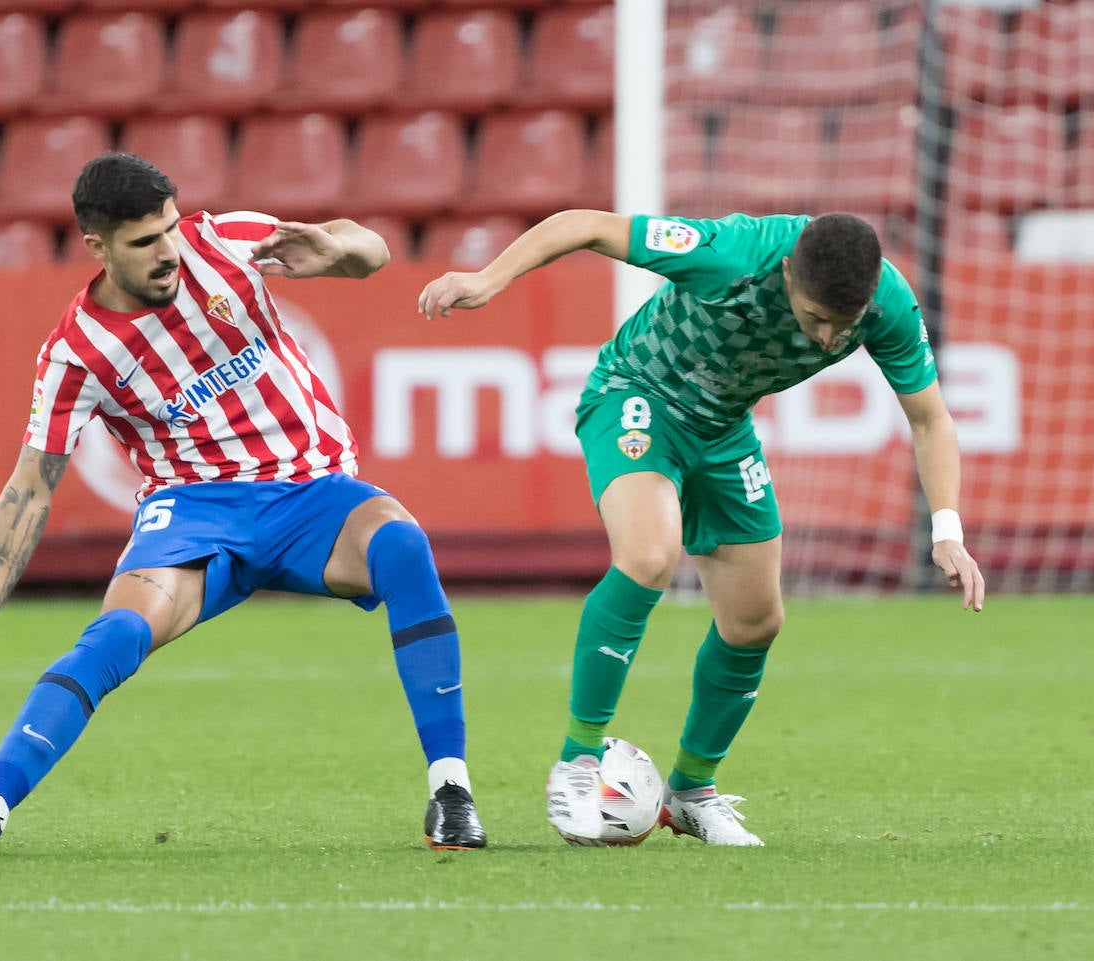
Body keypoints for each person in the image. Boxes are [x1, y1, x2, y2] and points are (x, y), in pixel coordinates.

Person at [0, 152, 486, 855]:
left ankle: (451, 790)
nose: (168, 252)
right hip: (195, 512)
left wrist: (341, 246)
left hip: (310, 494)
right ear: (96, 246)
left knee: (402, 544)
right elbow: (30, 487)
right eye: (144, 242)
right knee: (117, 635)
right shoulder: (76, 353)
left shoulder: (222, 239)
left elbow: (369, 254)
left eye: (167, 229)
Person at [418, 209, 984, 847]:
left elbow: (931, 420)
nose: (828, 338)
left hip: (723, 430)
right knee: (649, 554)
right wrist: (490, 279)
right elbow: (587, 225)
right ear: (791, 271)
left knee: (755, 621)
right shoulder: (732, 253)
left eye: (841, 325)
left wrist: (947, 530)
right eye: (815, 317)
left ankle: (690, 793)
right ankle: (579, 762)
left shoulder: (888, 305)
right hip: (637, 394)